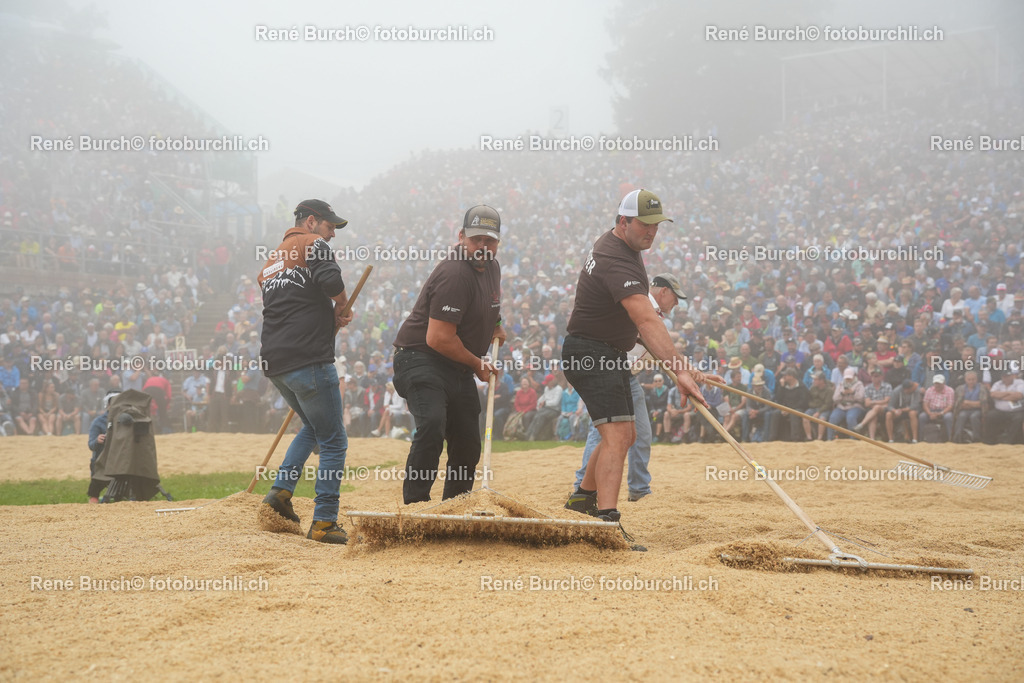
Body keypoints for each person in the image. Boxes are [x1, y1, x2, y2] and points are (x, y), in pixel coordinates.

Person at [562, 189, 719, 545]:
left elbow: (638, 328)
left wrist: (685, 368)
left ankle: (581, 500)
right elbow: (646, 322)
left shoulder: (626, 249)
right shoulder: (616, 259)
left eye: (656, 226)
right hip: (591, 352)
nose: (651, 232)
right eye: (645, 225)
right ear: (623, 222)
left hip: (606, 351)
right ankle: (606, 524)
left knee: (627, 435)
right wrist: (680, 370)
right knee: (616, 436)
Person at [392, 205, 505, 504]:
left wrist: (496, 325)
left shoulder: (492, 267)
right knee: (431, 424)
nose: (483, 246)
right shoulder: (455, 273)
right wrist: (478, 364)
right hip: (421, 359)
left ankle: (455, 507)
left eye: (490, 241)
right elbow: (439, 338)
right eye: (476, 239)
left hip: (456, 365)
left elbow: (490, 304)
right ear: (461, 237)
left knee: (468, 441)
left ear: (498, 242)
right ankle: (416, 506)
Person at [258, 199, 353, 544]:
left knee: (314, 427)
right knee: (334, 440)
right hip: (308, 358)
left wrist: (329, 315)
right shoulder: (313, 244)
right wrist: (341, 304)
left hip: (275, 362)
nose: (331, 236)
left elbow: (294, 305)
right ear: (312, 221)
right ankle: (325, 521)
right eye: (330, 228)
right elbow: (330, 280)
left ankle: (281, 494)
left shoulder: (270, 261)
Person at [572, 272, 688, 503]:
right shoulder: (638, 301)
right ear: (664, 291)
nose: (676, 304)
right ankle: (583, 490)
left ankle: (639, 489)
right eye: (675, 298)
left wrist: (691, 372)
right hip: (608, 372)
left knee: (641, 434)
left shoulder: (655, 316)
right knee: (603, 435)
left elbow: (663, 350)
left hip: (629, 378)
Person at [87, 391, 119, 503]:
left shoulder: (128, 420)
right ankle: (94, 500)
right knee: (95, 488)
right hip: (101, 461)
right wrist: (97, 441)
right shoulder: (98, 422)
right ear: (108, 405)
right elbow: (91, 445)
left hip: (121, 462)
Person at [952, 371, 987, 443]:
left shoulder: (982, 388)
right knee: (961, 416)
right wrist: (974, 404)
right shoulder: (960, 388)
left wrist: (968, 403)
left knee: (974, 416)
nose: (971, 381)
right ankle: (957, 438)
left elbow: (983, 403)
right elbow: (958, 404)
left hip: (978, 410)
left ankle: (977, 439)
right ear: (965, 380)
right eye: (969, 379)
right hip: (964, 410)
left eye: (973, 379)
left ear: (976, 379)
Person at [919, 374, 955, 442]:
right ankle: (921, 439)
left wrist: (940, 413)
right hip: (931, 410)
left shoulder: (950, 390)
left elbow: (950, 405)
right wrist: (930, 413)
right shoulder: (929, 390)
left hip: (944, 411)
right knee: (922, 416)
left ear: (944, 383)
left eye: (939, 383)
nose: (937, 385)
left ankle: (951, 438)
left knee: (948, 417)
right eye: (936, 383)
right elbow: (925, 404)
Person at [886, 380, 921, 444]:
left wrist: (902, 410)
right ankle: (890, 439)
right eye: (912, 387)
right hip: (898, 411)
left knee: (912, 413)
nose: (915, 387)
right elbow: (890, 406)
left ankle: (914, 439)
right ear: (906, 389)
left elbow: (916, 405)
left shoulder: (917, 390)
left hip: (910, 410)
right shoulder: (896, 391)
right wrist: (895, 411)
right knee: (888, 414)